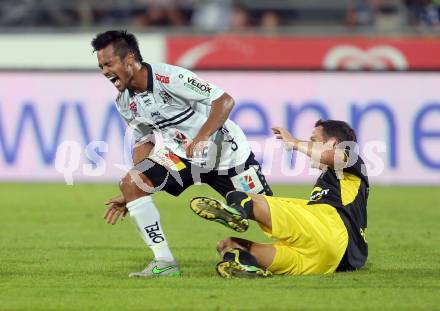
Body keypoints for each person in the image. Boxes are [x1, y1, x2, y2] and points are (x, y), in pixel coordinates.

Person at [90, 30, 272, 278]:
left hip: (227, 155)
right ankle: (164, 262)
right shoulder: (124, 101)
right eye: (101, 66)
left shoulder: (170, 77)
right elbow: (144, 140)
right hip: (181, 157)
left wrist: (202, 137)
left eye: (109, 63)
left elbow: (224, 101)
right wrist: (137, 190)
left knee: (271, 218)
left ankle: (245, 219)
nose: (104, 71)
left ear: (129, 59)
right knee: (130, 183)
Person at [190, 120, 369, 278]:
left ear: (333, 143)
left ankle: (238, 213)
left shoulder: (352, 159)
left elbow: (334, 157)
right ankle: (247, 267)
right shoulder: (334, 184)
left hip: (329, 231)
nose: (310, 144)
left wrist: (294, 142)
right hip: (326, 261)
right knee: (228, 245)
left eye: (314, 140)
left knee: (239, 195)